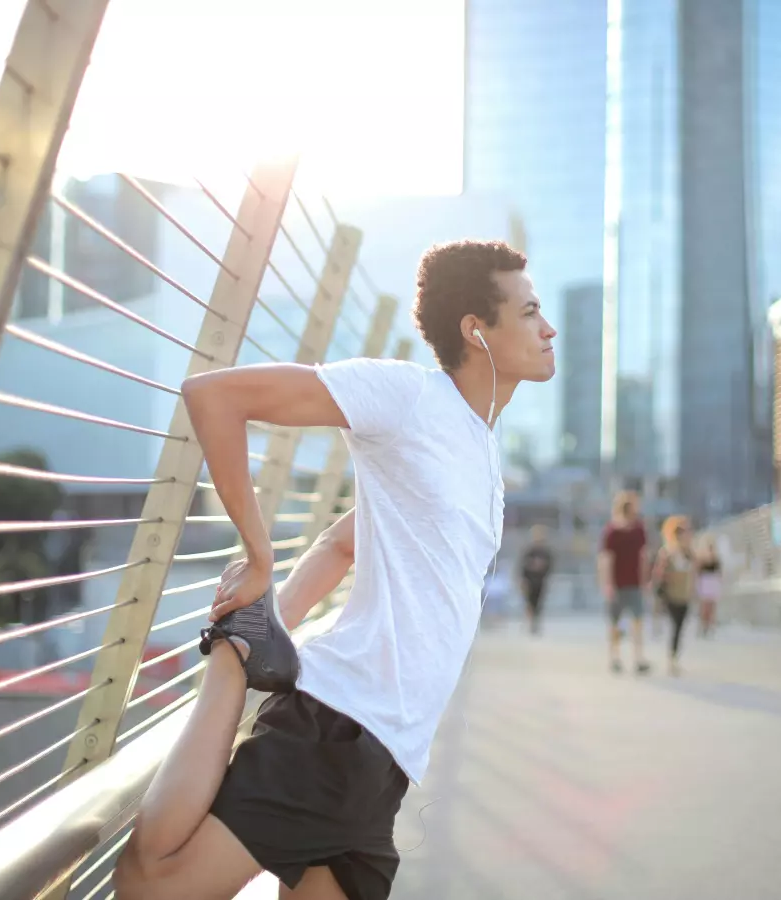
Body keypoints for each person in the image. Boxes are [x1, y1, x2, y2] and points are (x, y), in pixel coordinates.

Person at [115, 240, 555, 900]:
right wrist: (259, 564)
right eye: (529, 311)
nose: (548, 328)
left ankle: (241, 650)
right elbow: (214, 396)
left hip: (387, 761)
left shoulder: (479, 453)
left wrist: (276, 620)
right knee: (153, 884)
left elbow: (344, 543)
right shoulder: (409, 397)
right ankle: (228, 667)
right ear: (477, 332)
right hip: (338, 729)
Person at [598, 491, 650, 675]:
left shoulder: (639, 530)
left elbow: (643, 557)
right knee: (615, 623)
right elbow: (606, 559)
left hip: (634, 582)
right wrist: (607, 583)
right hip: (618, 583)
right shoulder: (612, 531)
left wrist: (645, 581)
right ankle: (615, 657)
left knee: (638, 621)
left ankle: (638, 658)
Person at [652, 515, 695, 676]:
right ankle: (672, 659)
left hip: (684, 595)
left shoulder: (690, 553)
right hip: (670, 595)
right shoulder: (667, 553)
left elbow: (694, 572)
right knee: (675, 625)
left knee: (679, 627)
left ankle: (674, 657)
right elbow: (660, 574)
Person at [516, 524, 554, 634]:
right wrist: (522, 580)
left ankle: (535, 623)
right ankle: (530, 623)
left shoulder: (546, 552)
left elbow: (549, 567)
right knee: (529, 603)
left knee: (538, 604)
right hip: (529, 581)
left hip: (541, 581)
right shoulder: (529, 551)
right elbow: (522, 566)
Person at [695, 535, 722, 637]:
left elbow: (719, 572)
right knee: (705, 606)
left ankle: (711, 626)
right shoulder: (702, 558)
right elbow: (697, 571)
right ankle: (703, 625)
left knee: (712, 606)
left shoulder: (716, 558)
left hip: (713, 581)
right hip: (705, 581)